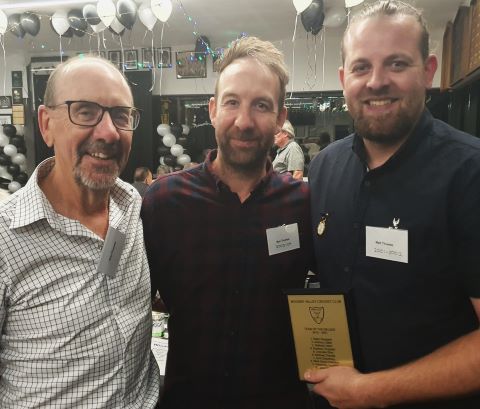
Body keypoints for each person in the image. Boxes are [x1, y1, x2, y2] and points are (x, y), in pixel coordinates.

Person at [307, 1, 480, 408]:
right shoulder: (325, 167)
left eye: (397, 64)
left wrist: (369, 392)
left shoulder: (470, 174)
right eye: (362, 67)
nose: (376, 82)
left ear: (429, 70)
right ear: (343, 78)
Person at [142, 36, 314, 408]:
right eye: (232, 102)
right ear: (213, 110)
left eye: (261, 105)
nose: (244, 121)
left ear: (281, 117)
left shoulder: (303, 204)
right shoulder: (164, 203)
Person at [0, 56, 160, 408]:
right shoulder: (5, 238)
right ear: (46, 124)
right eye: (85, 112)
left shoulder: (132, 205)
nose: (108, 132)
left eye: (121, 115)